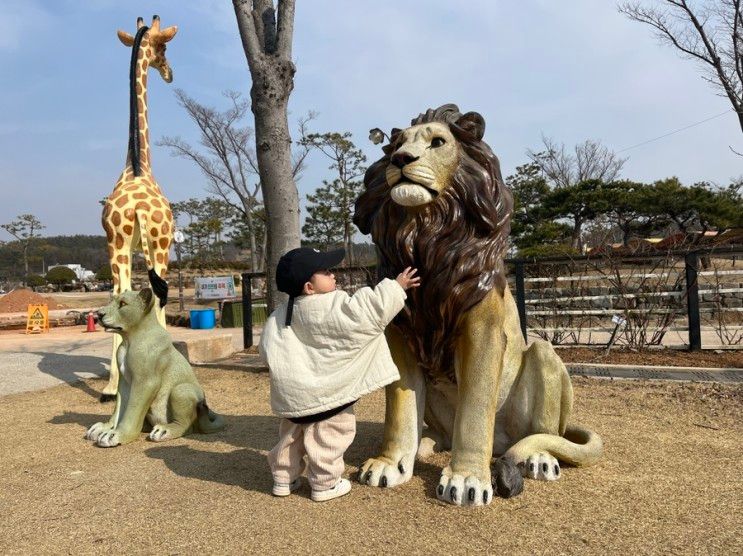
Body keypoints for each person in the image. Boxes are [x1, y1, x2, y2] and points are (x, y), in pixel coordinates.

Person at [259, 247, 420, 502]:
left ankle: (282, 478)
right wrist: (397, 286)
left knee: (290, 439)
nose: (333, 275)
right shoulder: (333, 305)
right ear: (310, 287)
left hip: (295, 400)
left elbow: (267, 349)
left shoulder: (280, 315)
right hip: (329, 398)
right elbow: (368, 312)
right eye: (325, 272)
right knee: (330, 439)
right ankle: (324, 484)